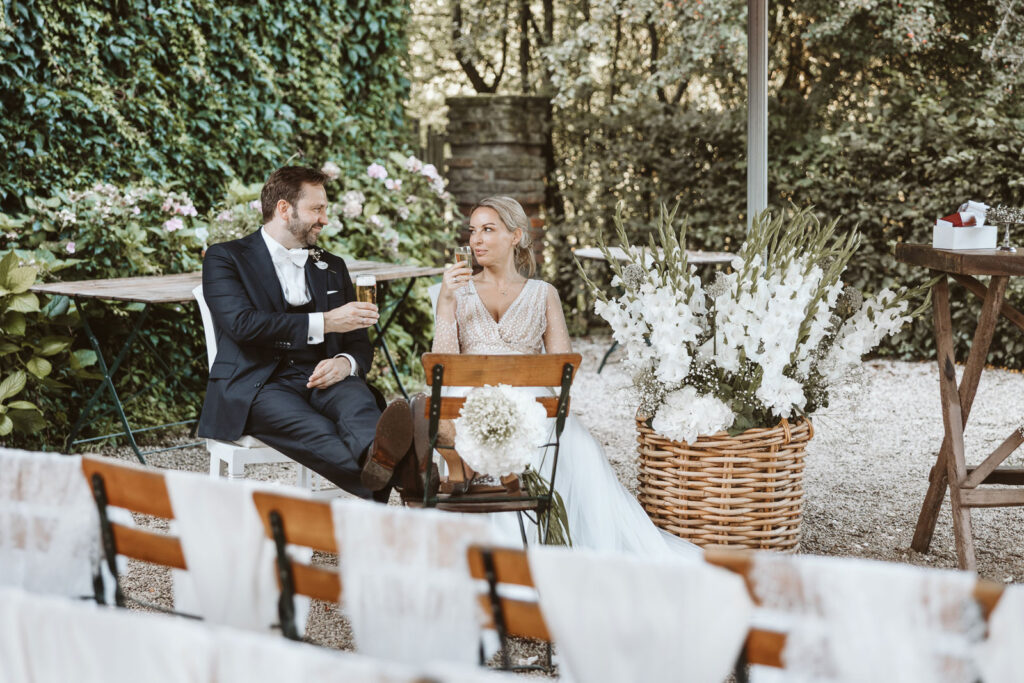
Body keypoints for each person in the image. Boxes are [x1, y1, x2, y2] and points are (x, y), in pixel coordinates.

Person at [432, 196, 700, 557]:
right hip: (468, 406)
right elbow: (442, 365)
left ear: (516, 236)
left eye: (488, 229)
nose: (476, 240)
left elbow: (563, 370)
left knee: (573, 445)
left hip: (531, 404)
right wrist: (446, 301)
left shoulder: (544, 294)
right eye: (473, 231)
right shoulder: (455, 292)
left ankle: (538, 547)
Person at [197, 166, 428, 501]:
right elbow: (242, 325)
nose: (325, 219)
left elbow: (358, 343)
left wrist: (346, 363)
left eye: (326, 210)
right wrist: (326, 322)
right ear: (283, 209)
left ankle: (386, 465)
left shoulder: (332, 265)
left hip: (325, 375)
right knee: (320, 434)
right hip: (258, 384)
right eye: (317, 209)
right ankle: (408, 474)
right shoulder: (226, 258)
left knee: (358, 406)